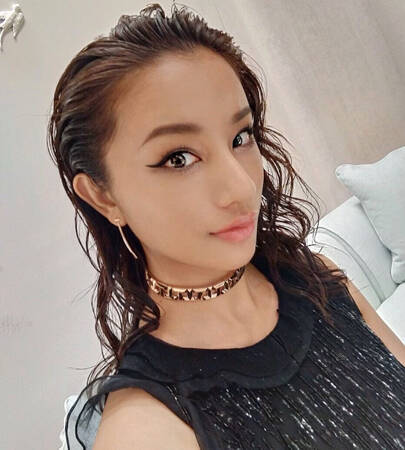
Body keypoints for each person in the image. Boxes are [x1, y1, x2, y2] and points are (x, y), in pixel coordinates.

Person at [49, 3, 405, 449]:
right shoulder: (147, 431)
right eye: (178, 158)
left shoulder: (318, 278)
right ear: (104, 196)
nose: (241, 187)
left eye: (240, 137)